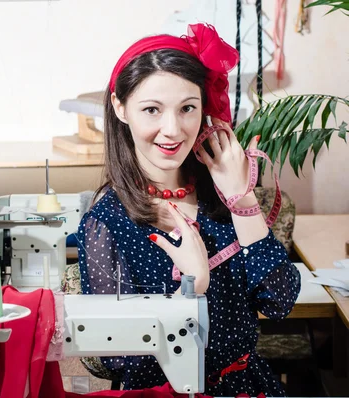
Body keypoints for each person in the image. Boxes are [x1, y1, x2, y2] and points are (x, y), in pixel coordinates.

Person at [76, 23, 300, 397]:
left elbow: (279, 301)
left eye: (187, 109)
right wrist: (189, 292)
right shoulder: (106, 224)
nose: (173, 129)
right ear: (120, 107)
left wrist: (242, 201)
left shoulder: (225, 197)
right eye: (152, 109)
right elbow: (116, 356)